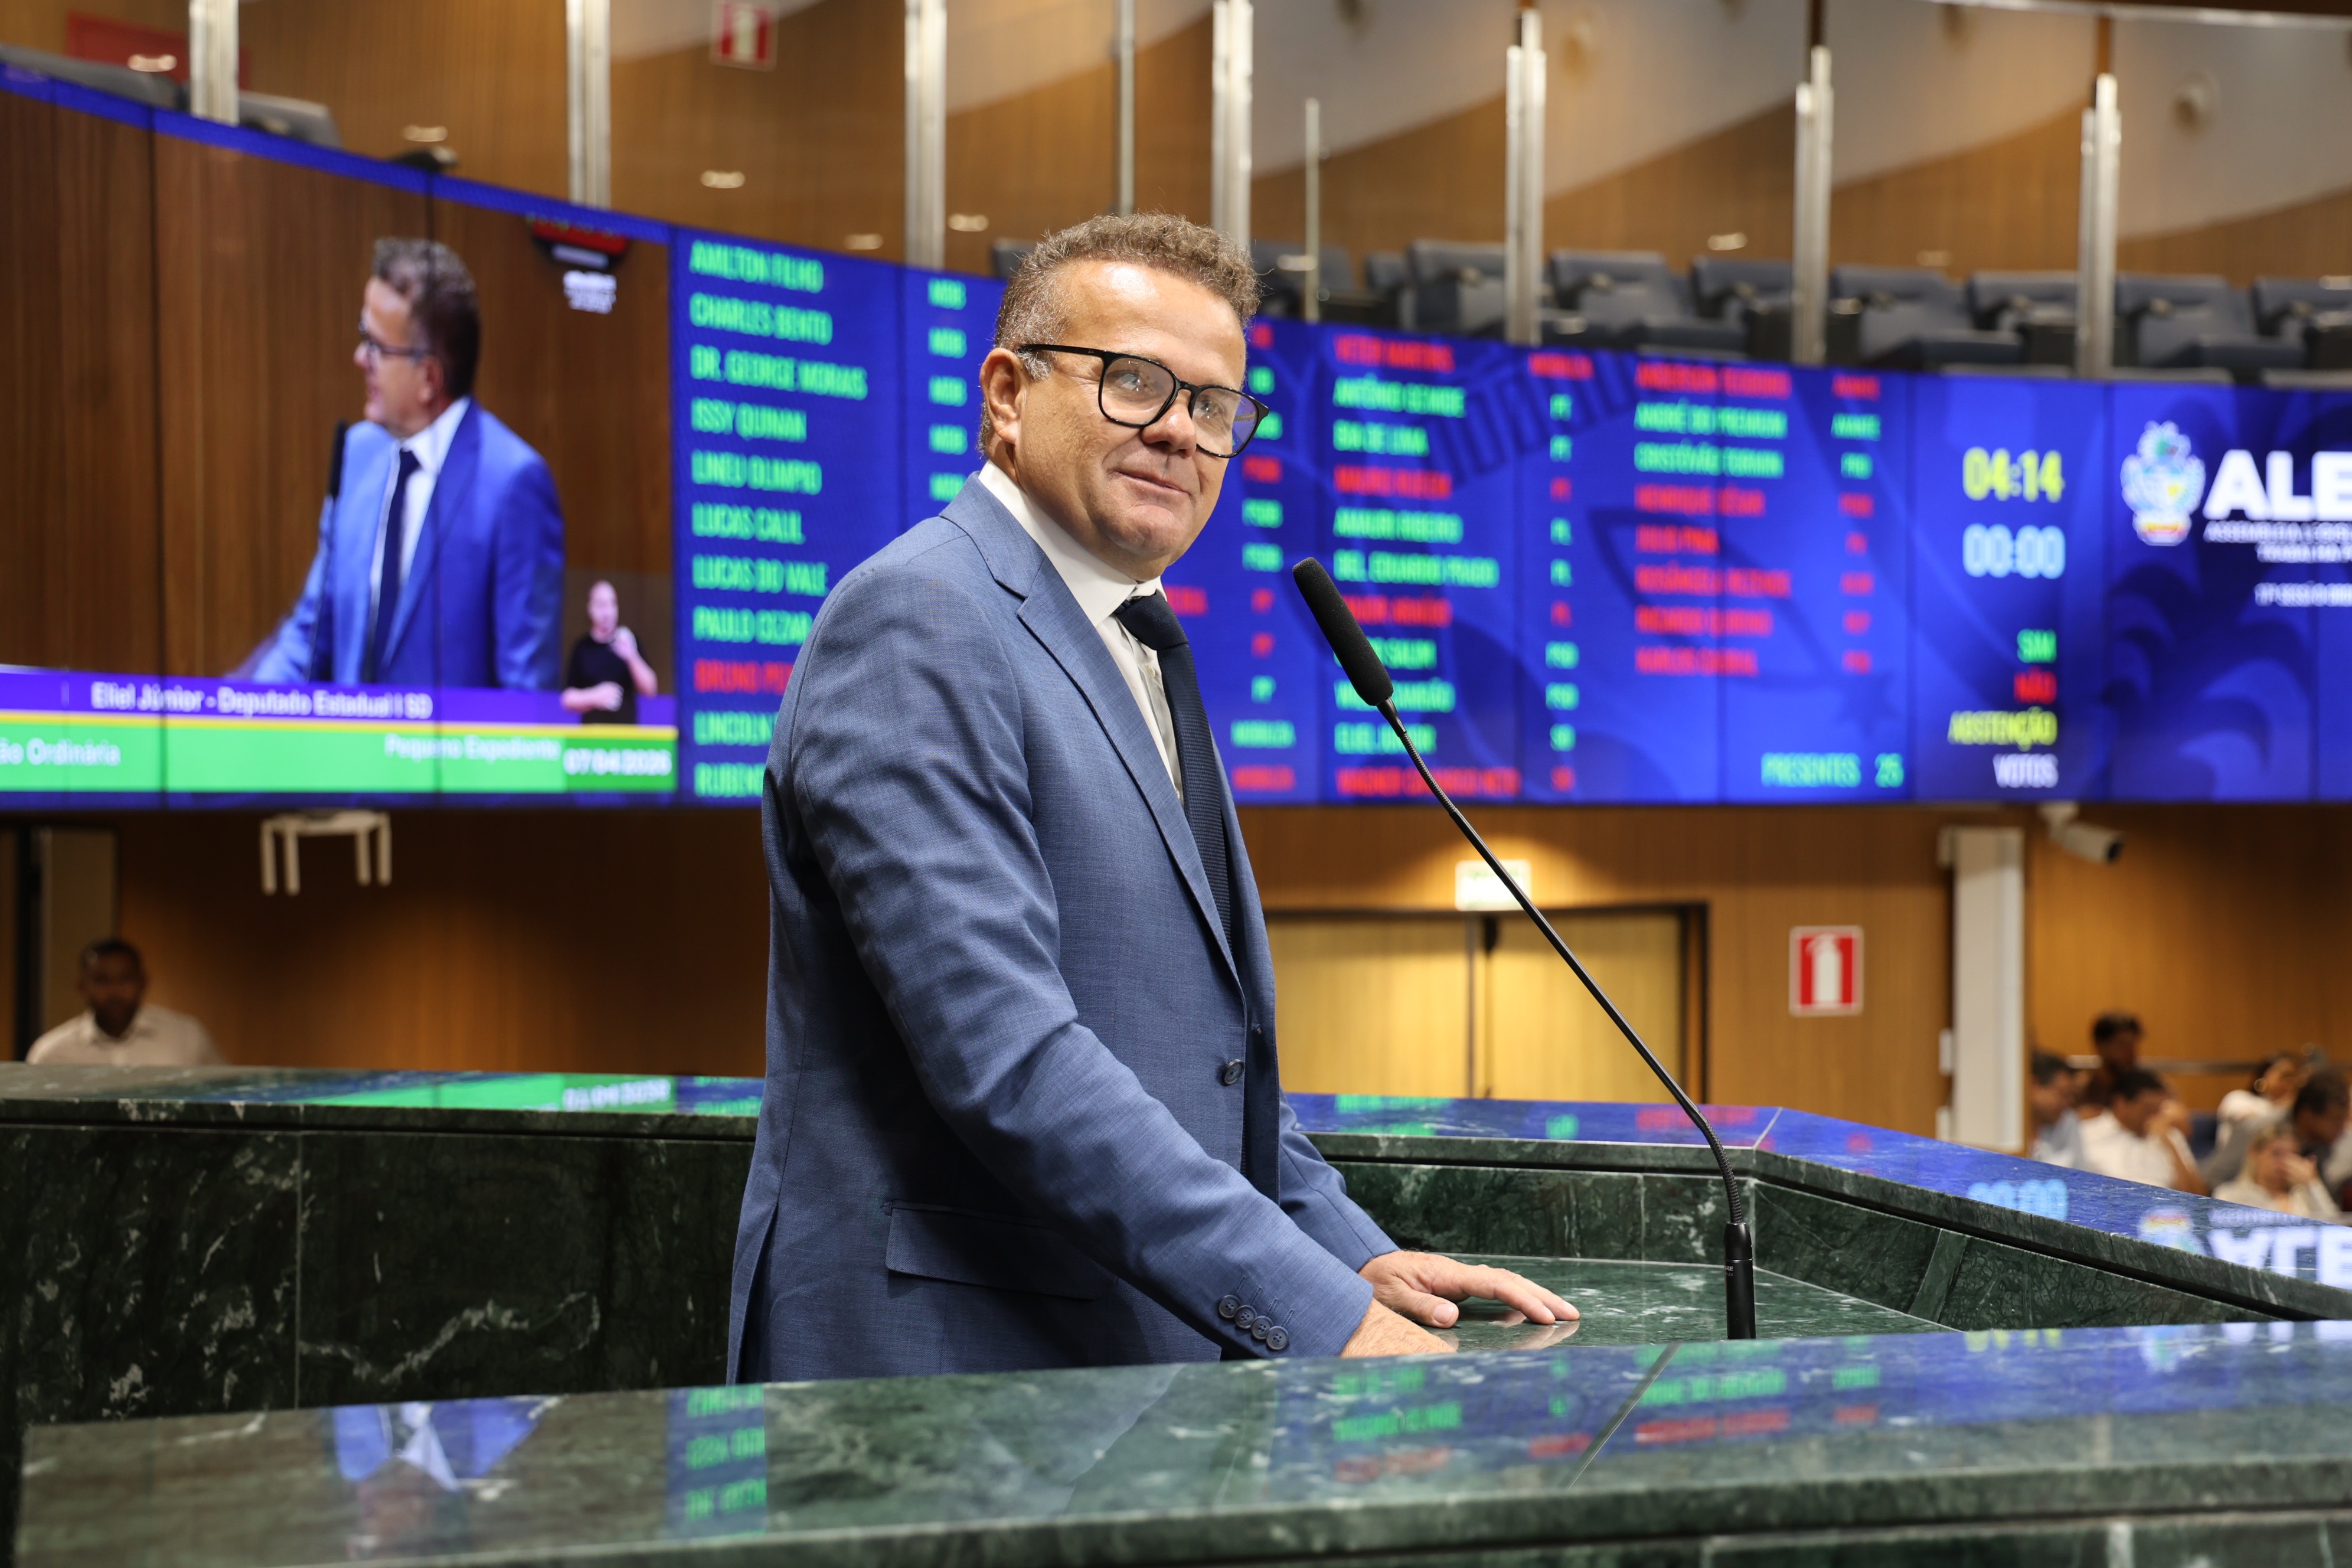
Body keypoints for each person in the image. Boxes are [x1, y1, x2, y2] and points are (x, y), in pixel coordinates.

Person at [727, 213, 1574, 1383]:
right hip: (944, 1378)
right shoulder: (921, 619)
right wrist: (1315, 1311)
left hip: (1101, 1370)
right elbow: (1010, 1059)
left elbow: (1201, 1058)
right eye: (1132, 381)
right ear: (1008, 395)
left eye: (1214, 404)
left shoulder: (1133, 633)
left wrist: (1346, 1255)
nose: (1179, 429)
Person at [251, 238, 566, 691]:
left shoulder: (513, 485)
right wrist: (241, 712)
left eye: (376, 346)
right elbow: (311, 635)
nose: (360, 358)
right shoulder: (358, 454)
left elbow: (525, 693)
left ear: (429, 377)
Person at [25, 939, 223, 1067]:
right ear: (82, 987)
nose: (115, 991)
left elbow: (224, 1098)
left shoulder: (187, 1037)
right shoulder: (52, 1053)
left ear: (142, 982)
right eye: (102, 980)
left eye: (125, 979)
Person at [2079, 1068, 2206, 1194]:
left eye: (2159, 1109)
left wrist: (2169, 1145)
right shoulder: (2087, 1134)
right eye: (2148, 1108)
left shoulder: (2170, 1136)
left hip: (2163, 1204)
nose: (2154, 1116)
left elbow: (2199, 1195)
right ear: (2121, 1103)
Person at [2201, 1053, 2309, 1187]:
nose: (2290, 1084)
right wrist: (2292, 1100)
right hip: (2229, 1176)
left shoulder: (2292, 1116)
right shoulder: (2239, 1098)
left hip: (2266, 1181)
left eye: (2295, 1079)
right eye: (2285, 1076)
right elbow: (2251, 1126)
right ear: (2264, 1076)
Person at [561, 579, 658, 724]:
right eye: (601, 605)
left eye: (612, 604)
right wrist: (596, 696)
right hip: (592, 734)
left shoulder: (629, 642)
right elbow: (567, 699)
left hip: (626, 734)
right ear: (591, 609)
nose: (607, 612)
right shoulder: (582, 648)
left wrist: (631, 656)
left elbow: (651, 690)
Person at [2214, 1122, 2341, 1221]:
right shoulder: (2230, 1195)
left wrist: (2313, 1185)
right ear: (2255, 1154)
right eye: (2277, 1154)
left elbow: (2336, 1229)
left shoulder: (2303, 1196)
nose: (2285, 1163)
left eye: (2292, 1156)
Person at [2076, 1010, 2142, 1114]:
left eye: (2132, 1045)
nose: (2130, 1053)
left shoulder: (2146, 1089)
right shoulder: (2080, 1089)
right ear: (2100, 1046)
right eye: (2122, 1045)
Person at [2028, 1050, 2082, 1168]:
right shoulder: (2001, 1130)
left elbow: (2080, 1172)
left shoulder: (2068, 1121)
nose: (2068, 1103)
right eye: (2063, 1094)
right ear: (2033, 1086)